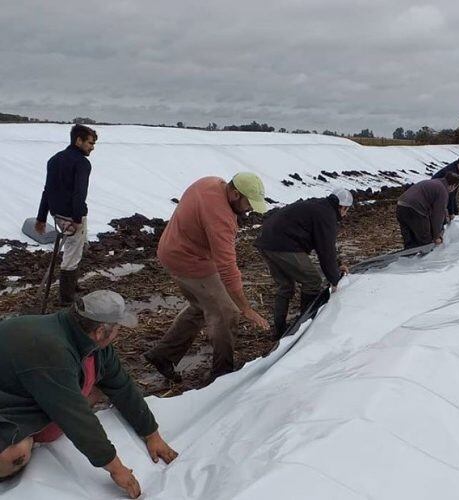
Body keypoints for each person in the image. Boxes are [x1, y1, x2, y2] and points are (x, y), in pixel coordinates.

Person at [0, 291, 178, 498]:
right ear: (101, 331)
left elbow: (121, 386)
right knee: (14, 455)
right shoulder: (52, 350)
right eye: (118, 328)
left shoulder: (92, 343)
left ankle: (40, 425)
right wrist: (115, 468)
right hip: (7, 400)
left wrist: (151, 433)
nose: (118, 332)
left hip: (25, 388)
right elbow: (76, 418)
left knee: (93, 388)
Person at [144, 172, 270, 383]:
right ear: (235, 193)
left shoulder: (211, 182)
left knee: (201, 306)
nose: (249, 210)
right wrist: (246, 309)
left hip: (171, 249)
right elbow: (227, 268)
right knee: (227, 312)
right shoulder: (220, 218)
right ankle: (222, 373)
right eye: (249, 203)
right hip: (188, 260)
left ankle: (163, 355)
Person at [254, 189, 354, 340]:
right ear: (343, 207)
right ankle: (305, 327)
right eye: (346, 211)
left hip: (265, 240)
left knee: (285, 286)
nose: (345, 215)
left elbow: (326, 246)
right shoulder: (327, 215)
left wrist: (336, 265)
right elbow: (326, 250)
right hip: (283, 244)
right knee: (312, 280)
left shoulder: (320, 206)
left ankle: (279, 331)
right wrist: (334, 279)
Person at [34, 125, 98, 305]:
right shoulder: (82, 163)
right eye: (90, 143)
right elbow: (80, 193)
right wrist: (77, 219)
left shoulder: (54, 159)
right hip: (73, 216)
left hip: (57, 214)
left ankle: (72, 285)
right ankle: (67, 298)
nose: (92, 147)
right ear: (79, 140)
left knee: (77, 248)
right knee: (72, 253)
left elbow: (48, 190)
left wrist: (41, 217)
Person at [397, 172, 459, 249]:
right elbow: (437, 215)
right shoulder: (443, 191)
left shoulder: (435, 182)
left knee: (410, 241)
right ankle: (424, 258)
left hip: (401, 205)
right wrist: (436, 236)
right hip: (416, 209)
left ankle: (408, 255)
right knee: (426, 241)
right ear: (453, 185)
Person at [431, 154, 459, 221]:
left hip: (439, 190)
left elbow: (453, 194)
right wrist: (451, 212)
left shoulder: (455, 170)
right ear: (458, 164)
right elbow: (451, 194)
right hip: (434, 192)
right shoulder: (452, 173)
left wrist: (455, 211)